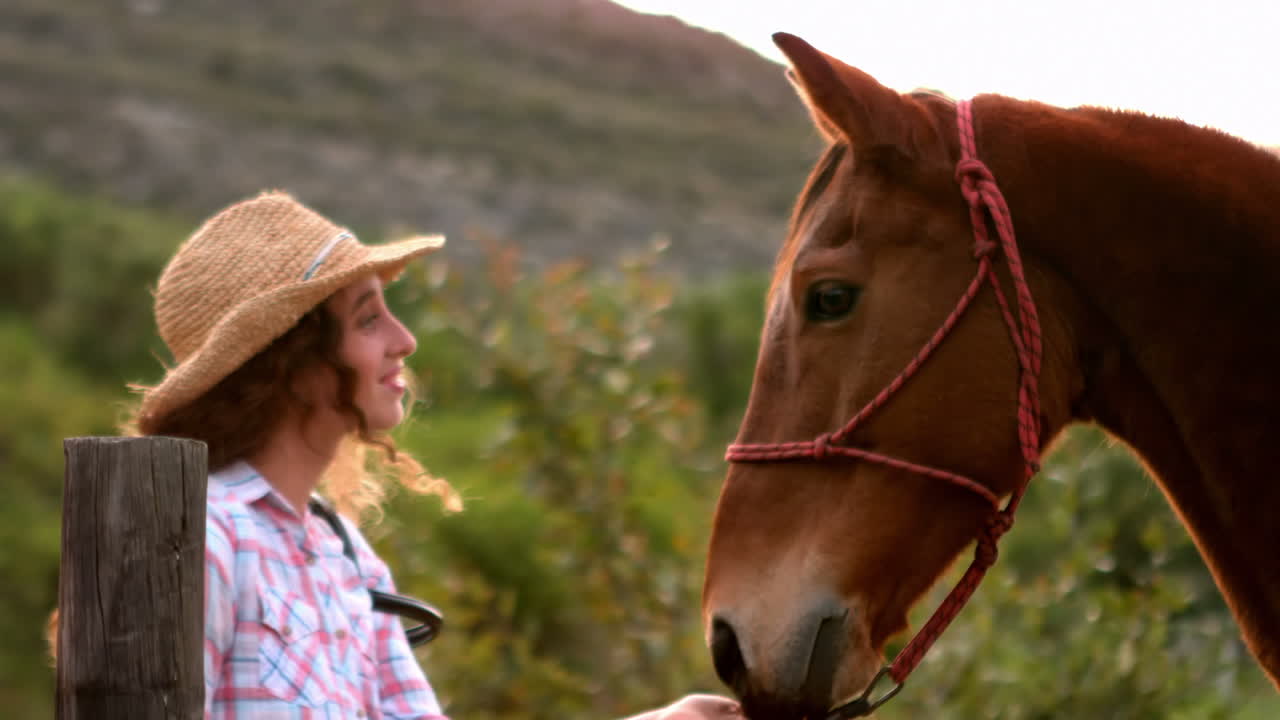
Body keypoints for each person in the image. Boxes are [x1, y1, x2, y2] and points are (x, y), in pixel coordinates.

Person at [126, 191, 740, 719]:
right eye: (368, 320)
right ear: (291, 364)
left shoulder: (346, 555)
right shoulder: (203, 536)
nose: (404, 340)